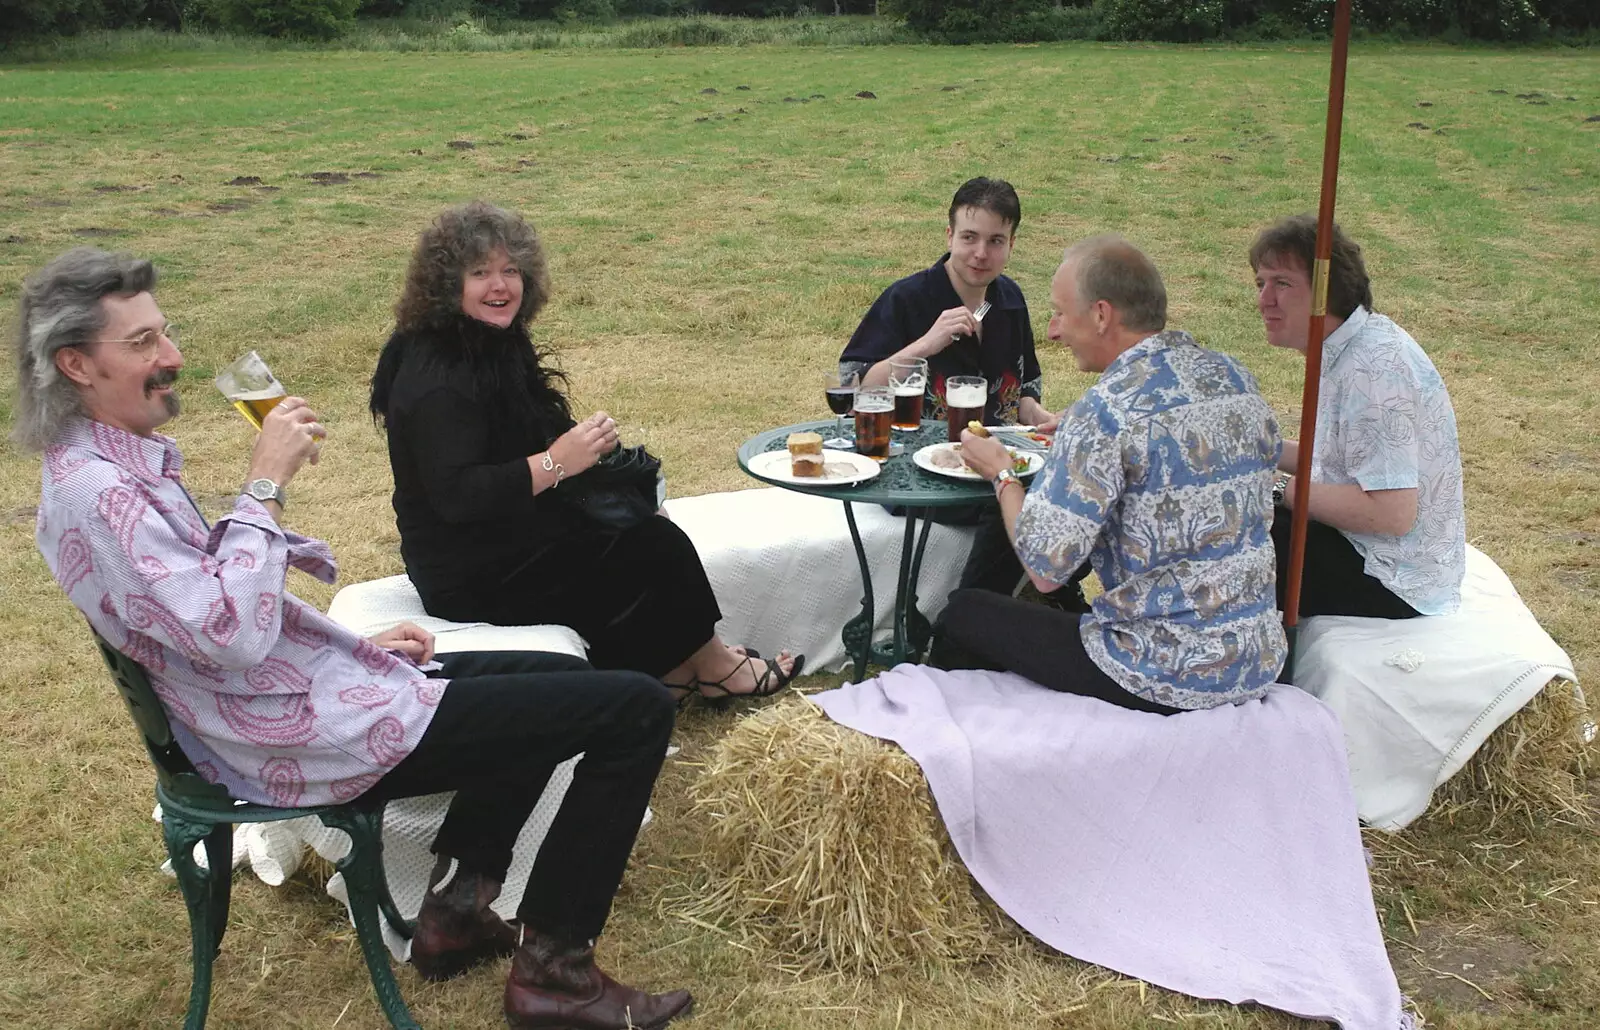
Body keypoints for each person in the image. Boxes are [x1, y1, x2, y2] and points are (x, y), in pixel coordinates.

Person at [15, 247, 693, 1030]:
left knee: (545, 671)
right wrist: (263, 486)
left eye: (164, 334)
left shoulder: (106, 464)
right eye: (141, 344)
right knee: (635, 709)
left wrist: (352, 651)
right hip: (293, 733)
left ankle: (458, 911)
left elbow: (195, 607)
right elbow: (224, 632)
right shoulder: (98, 493)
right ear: (74, 364)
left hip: (289, 697)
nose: (171, 358)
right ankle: (555, 973)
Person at [369, 201, 801, 702]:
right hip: (469, 569)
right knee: (651, 547)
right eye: (480, 273)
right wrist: (557, 462)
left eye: (511, 270)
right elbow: (458, 496)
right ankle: (719, 670)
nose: (500, 286)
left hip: (505, 532)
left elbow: (536, 433)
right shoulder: (438, 377)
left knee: (642, 527)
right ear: (447, 285)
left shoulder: (491, 342)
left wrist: (607, 475)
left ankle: (676, 672)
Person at [932, 236, 1287, 713]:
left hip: (1162, 672)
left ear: (1101, 315)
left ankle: (961, 747)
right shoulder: (1233, 376)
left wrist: (1001, 474)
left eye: (1059, 312)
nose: (1053, 331)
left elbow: (1044, 570)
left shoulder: (1104, 413)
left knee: (964, 612)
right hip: (1256, 658)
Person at [839, 176, 1058, 598]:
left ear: (1012, 244)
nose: (981, 253)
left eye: (996, 241)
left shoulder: (1009, 300)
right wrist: (925, 345)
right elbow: (851, 389)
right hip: (913, 472)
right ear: (949, 235)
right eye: (969, 237)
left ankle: (1036, 603)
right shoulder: (908, 299)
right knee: (1010, 502)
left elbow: (1024, 387)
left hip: (991, 459)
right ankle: (973, 617)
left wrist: (1039, 416)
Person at [1251, 214, 1466, 619]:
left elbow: (1390, 513)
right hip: (1366, 550)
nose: (1264, 299)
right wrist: (1259, 450)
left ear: (1326, 293)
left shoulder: (1373, 370)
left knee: (1213, 532)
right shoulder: (1350, 349)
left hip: (1390, 579)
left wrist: (1274, 486)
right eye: (1261, 283)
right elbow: (1340, 465)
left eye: (1282, 283)